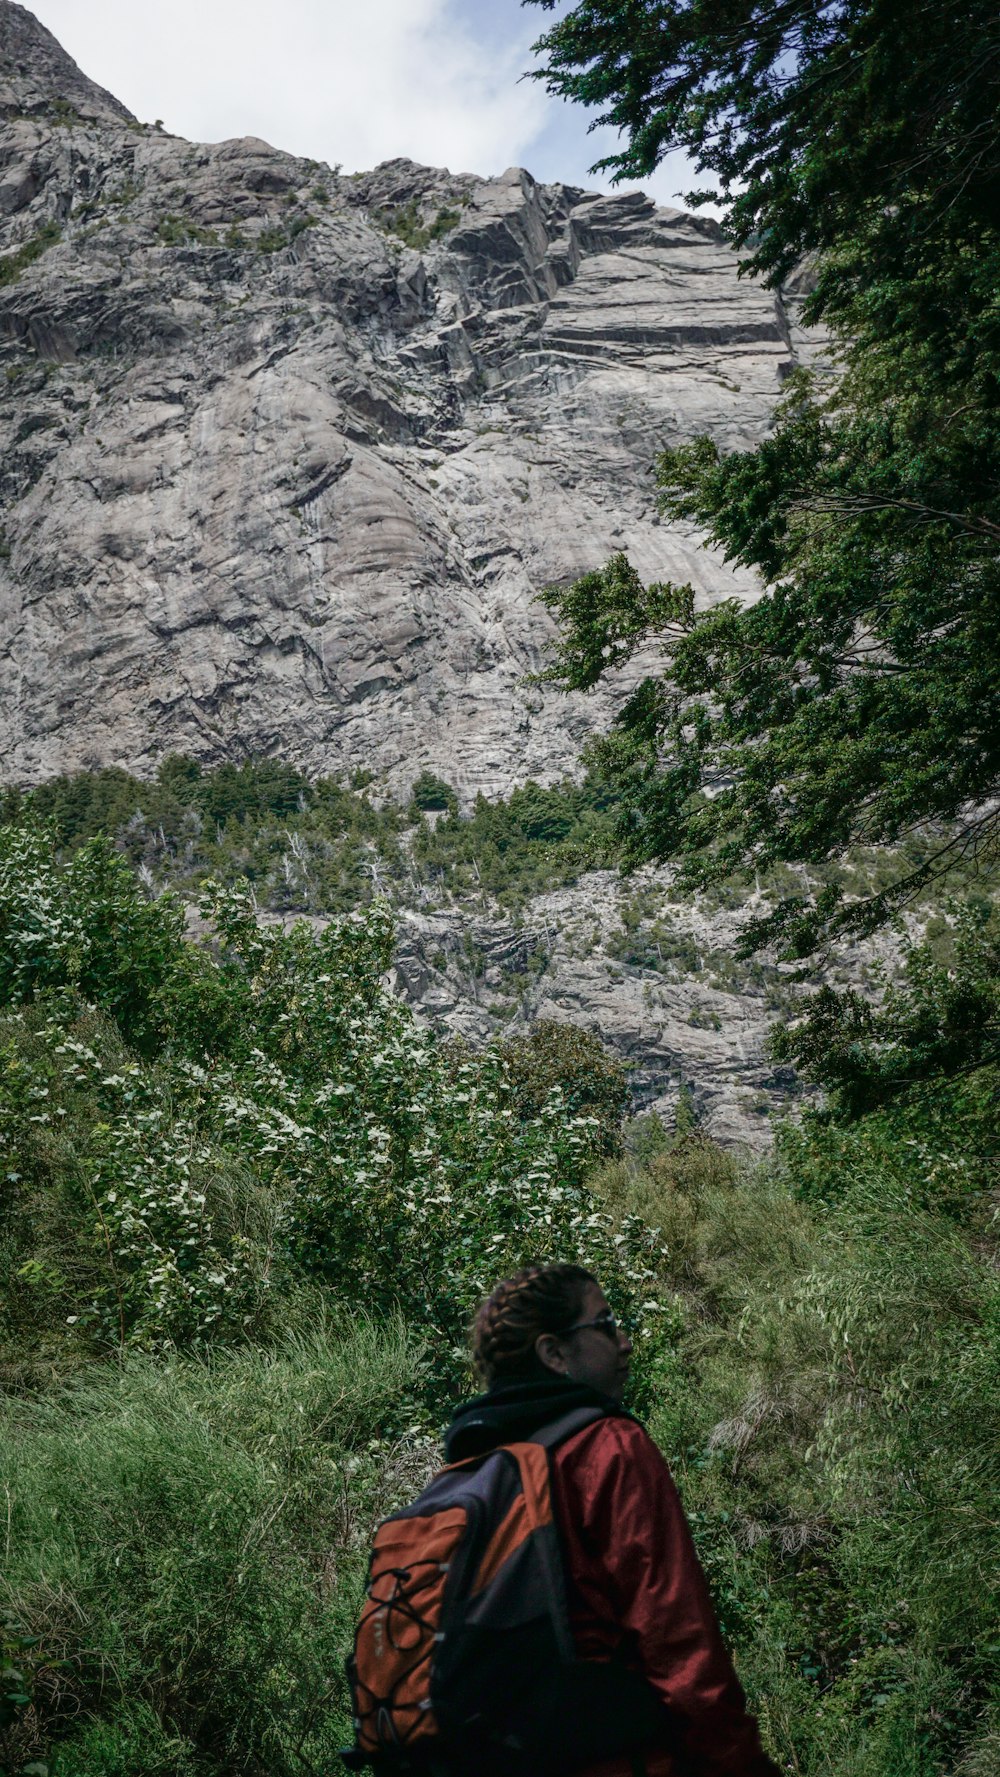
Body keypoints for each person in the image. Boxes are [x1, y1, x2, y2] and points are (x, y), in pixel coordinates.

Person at [444, 1262, 782, 1777]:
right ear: (554, 1353)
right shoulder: (607, 1448)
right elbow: (678, 1643)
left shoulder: (466, 1477)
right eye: (604, 1325)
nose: (624, 1343)